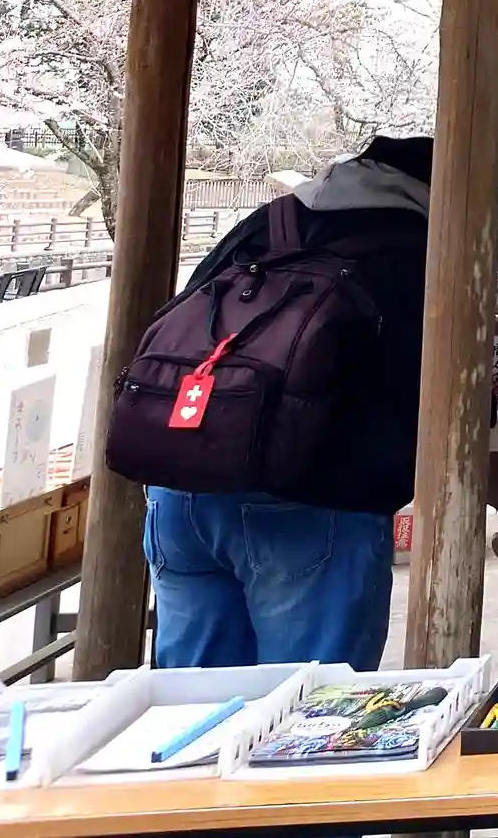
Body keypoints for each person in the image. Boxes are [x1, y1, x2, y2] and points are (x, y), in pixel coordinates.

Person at [142, 135, 432, 670]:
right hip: (313, 499)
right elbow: (432, 383)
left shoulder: (269, 223)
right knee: (305, 707)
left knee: (188, 706)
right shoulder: (414, 247)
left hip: (181, 483)